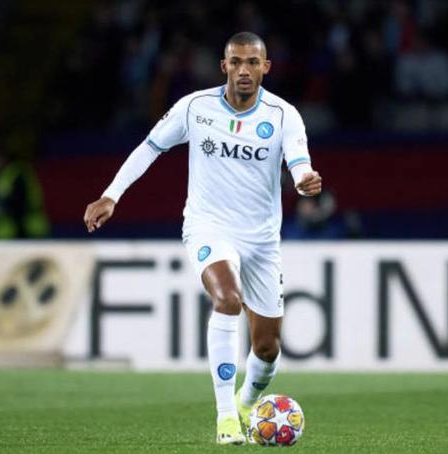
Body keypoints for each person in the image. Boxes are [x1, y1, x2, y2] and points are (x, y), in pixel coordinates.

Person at [83, 32, 322, 445]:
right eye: (236, 62)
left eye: (252, 62)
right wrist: (111, 194)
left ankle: (247, 402)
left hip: (262, 240)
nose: (243, 70)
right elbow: (150, 147)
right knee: (227, 299)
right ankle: (226, 417)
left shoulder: (284, 115)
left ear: (266, 67)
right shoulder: (195, 108)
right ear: (224, 65)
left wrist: (304, 180)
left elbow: (299, 162)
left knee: (267, 349)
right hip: (208, 226)